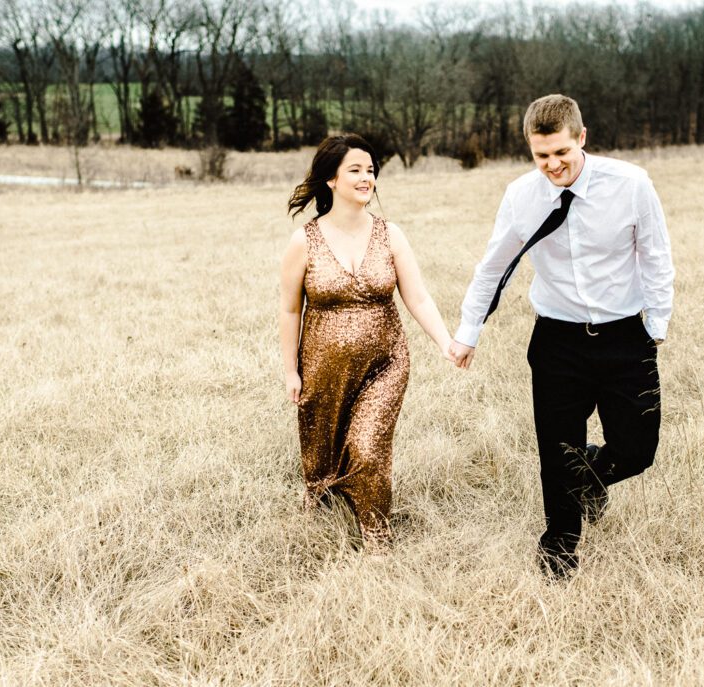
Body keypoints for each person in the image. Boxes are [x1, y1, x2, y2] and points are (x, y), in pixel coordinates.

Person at [448, 95, 675, 579]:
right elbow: (493, 268)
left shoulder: (630, 184)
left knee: (638, 450)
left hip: (623, 336)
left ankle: (591, 475)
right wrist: (469, 332)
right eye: (541, 156)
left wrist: (656, 325)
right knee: (556, 448)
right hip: (557, 341)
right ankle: (560, 547)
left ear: (582, 138)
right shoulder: (521, 197)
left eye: (561, 154)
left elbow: (655, 255)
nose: (552, 165)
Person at [279, 134, 454, 547]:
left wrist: (446, 341)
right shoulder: (304, 241)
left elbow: (419, 296)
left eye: (371, 170)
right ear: (331, 180)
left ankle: (377, 532)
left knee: (367, 446)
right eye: (355, 170)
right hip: (323, 367)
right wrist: (290, 370)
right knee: (322, 459)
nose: (366, 178)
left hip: (385, 362)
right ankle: (329, 506)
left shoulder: (390, 234)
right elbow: (290, 310)